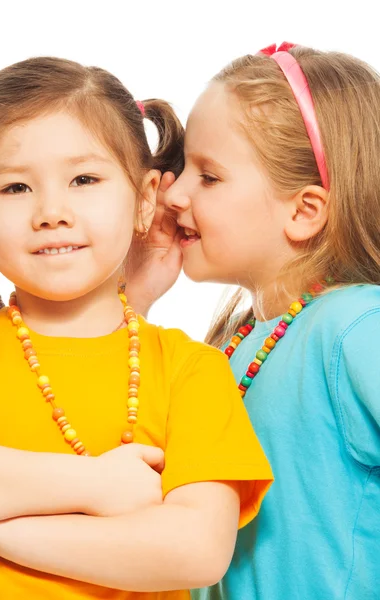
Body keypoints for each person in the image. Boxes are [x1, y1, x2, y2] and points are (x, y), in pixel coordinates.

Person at [0, 56, 273, 599]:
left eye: (84, 179)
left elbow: (196, 551)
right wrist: (98, 485)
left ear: (144, 200)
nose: (51, 211)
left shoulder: (191, 370)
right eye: (15, 188)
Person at [127, 43, 380, 599]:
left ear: (303, 210)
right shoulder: (231, 344)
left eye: (209, 176)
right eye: (183, 168)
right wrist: (135, 299)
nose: (174, 192)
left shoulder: (355, 326)